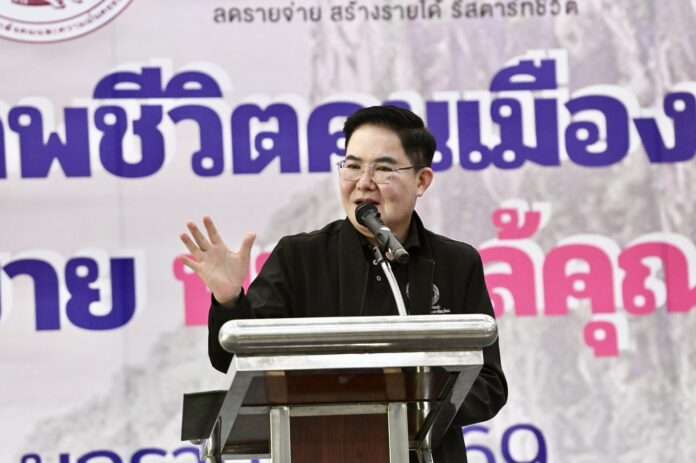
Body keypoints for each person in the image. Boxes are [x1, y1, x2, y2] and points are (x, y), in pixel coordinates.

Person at [180, 105, 507, 463]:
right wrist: (230, 300)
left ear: (422, 181)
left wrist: (417, 405)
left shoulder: (456, 263)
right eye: (352, 166)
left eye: (383, 169)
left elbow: (489, 385)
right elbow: (232, 358)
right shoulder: (299, 258)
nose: (363, 182)